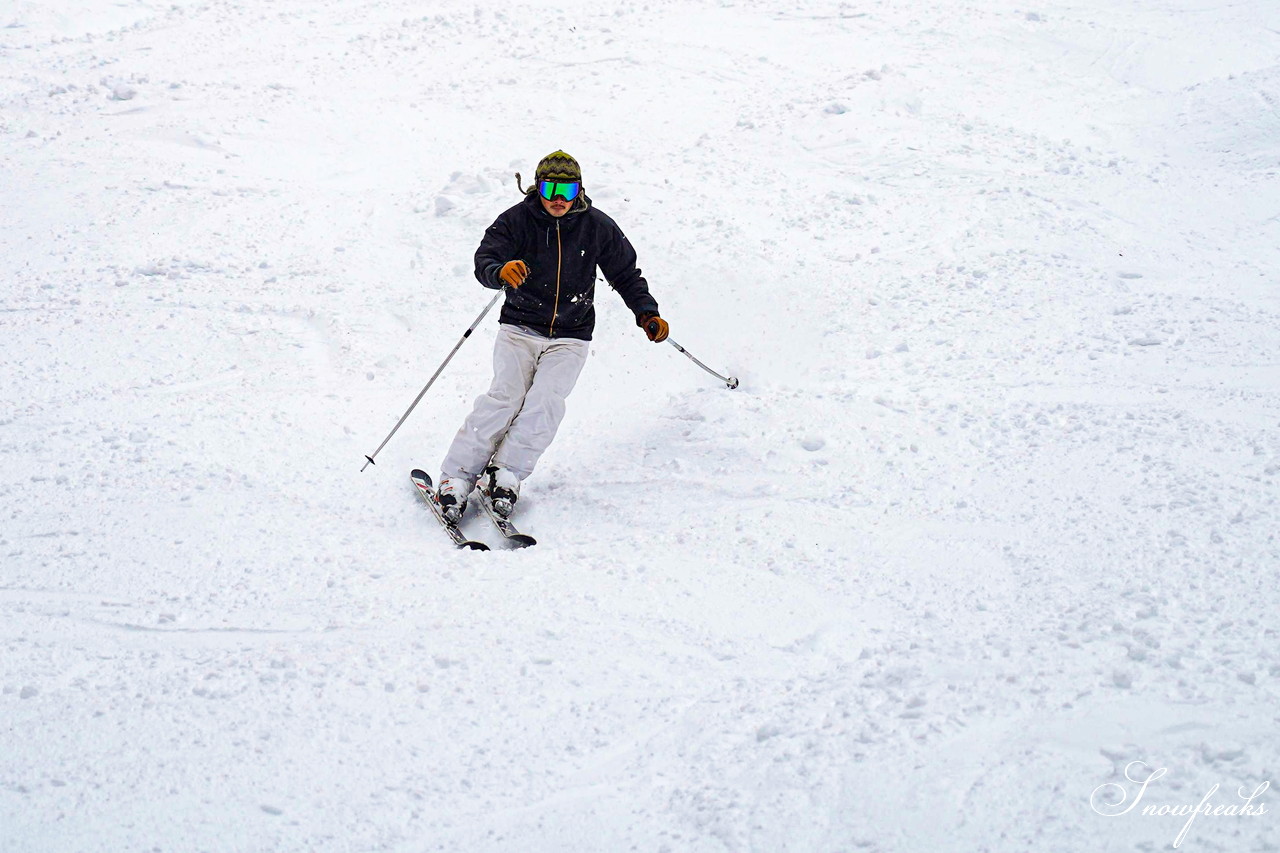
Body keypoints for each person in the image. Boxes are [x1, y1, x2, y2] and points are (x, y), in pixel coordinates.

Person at [436, 150, 669, 522]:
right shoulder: (516, 221)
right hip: (519, 327)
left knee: (545, 404)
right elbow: (485, 260)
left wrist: (646, 312)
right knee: (505, 397)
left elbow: (626, 273)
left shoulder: (597, 226)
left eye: (568, 187)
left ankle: (507, 473)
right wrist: (500, 271)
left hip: (571, 335)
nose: (558, 197)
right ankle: (456, 477)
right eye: (550, 187)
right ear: (537, 187)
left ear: (579, 189)